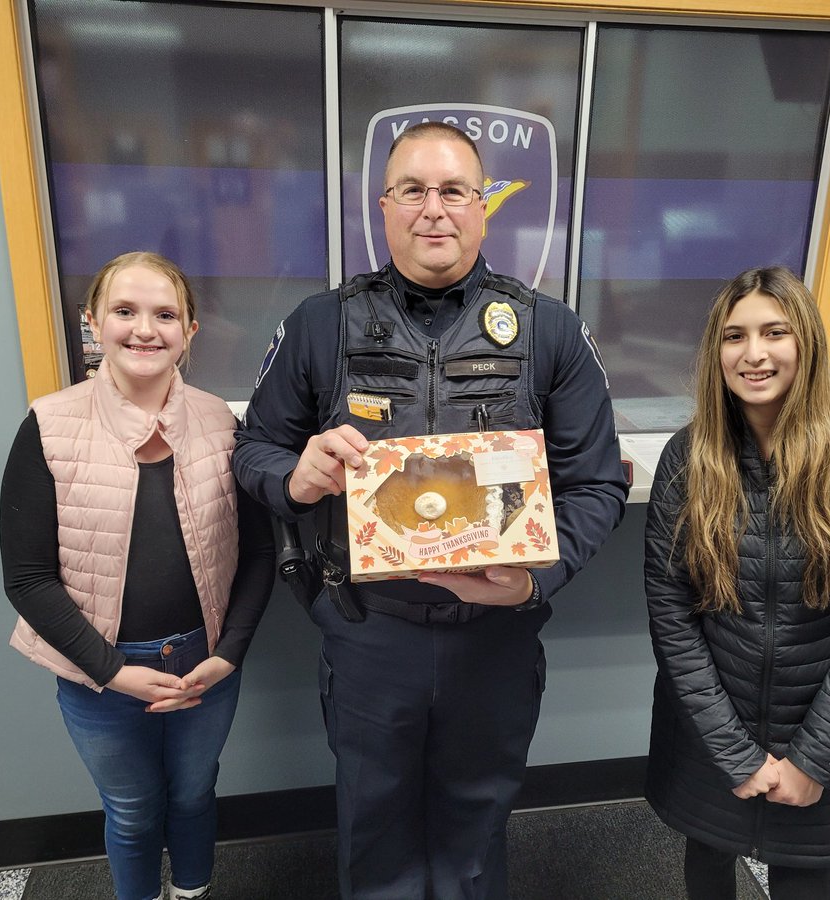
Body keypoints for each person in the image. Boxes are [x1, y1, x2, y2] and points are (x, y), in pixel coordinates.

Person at [232, 121, 627, 899]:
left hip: (499, 635)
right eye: (412, 189)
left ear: (483, 208)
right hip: (369, 627)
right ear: (382, 207)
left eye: (454, 190)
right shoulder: (319, 325)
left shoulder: (550, 329)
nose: (433, 209)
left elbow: (597, 483)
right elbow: (252, 451)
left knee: (476, 829)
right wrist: (298, 475)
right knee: (372, 826)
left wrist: (534, 581)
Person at [0, 251, 275, 900]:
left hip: (203, 664)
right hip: (99, 674)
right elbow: (29, 577)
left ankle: (191, 891)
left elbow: (259, 554)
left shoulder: (221, 424)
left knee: (193, 795)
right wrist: (111, 670)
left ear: (190, 332)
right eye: (124, 311)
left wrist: (228, 654)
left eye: (165, 314)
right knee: (130, 810)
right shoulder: (49, 425)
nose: (144, 329)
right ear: (92, 320)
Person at [643, 266, 830, 899]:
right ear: (716, 351)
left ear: (807, 344)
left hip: (822, 734)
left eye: (775, 332)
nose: (754, 353)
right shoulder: (689, 459)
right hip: (712, 731)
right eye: (735, 336)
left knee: (802, 880)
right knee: (708, 863)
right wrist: (734, 755)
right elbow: (672, 620)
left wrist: (813, 760)